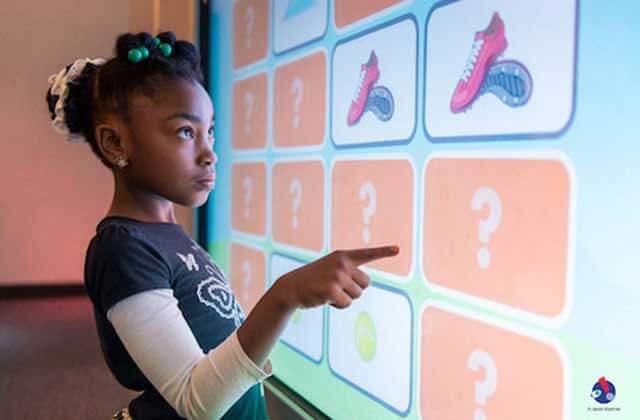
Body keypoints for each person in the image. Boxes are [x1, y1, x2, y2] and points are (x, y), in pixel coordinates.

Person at [45, 31, 399, 420]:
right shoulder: (122, 250)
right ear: (115, 144)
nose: (209, 152)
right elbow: (199, 402)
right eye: (186, 132)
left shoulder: (167, 236)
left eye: (210, 131)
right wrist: (286, 295)